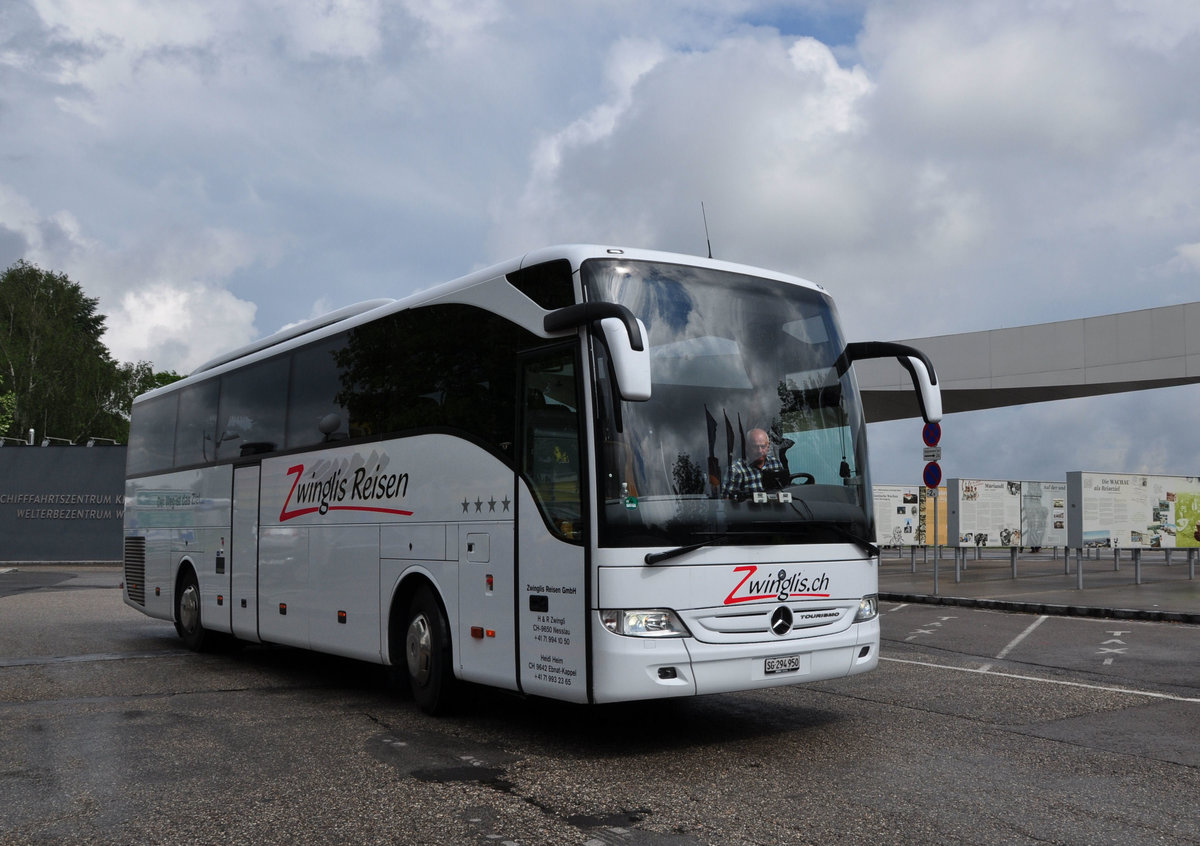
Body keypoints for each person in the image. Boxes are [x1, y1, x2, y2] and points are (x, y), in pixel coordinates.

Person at [721, 428, 785, 499]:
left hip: (775, 509)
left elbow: (784, 491)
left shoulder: (775, 464)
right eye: (755, 447)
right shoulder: (736, 469)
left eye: (763, 446)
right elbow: (726, 500)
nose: (760, 451)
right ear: (747, 447)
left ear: (768, 446)